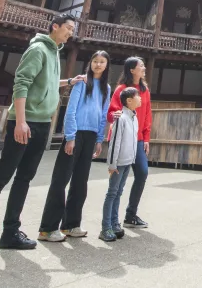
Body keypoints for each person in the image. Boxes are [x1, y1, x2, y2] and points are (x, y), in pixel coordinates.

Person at [0, 14, 83, 263]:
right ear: (55, 26)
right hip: (24, 123)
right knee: (0, 179)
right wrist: (20, 121)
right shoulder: (39, 49)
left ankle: (10, 232)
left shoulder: (55, 52)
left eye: (73, 29)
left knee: (24, 179)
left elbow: (48, 83)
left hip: (40, 125)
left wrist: (70, 81)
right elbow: (22, 83)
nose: (70, 33)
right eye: (68, 28)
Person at [38, 51, 111, 241]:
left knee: (80, 182)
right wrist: (70, 136)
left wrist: (99, 139)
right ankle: (48, 228)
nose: (98, 64)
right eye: (95, 61)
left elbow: (103, 114)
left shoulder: (106, 87)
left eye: (102, 62)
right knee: (61, 179)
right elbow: (71, 110)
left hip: (91, 134)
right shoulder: (81, 82)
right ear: (90, 63)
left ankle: (71, 224)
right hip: (76, 133)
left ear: (106, 65)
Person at [105, 56, 153, 229]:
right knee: (117, 184)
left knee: (142, 172)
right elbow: (111, 113)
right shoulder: (121, 89)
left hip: (138, 139)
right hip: (122, 139)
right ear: (132, 69)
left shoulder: (144, 90)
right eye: (141, 65)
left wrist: (146, 138)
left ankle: (131, 214)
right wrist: (114, 116)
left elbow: (147, 114)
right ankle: (111, 221)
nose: (144, 68)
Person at [100, 86, 141, 242]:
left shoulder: (134, 117)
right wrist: (112, 164)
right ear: (129, 101)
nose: (141, 98)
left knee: (118, 193)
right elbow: (115, 142)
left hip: (127, 161)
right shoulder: (121, 118)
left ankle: (114, 223)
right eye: (138, 96)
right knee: (112, 193)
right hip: (118, 163)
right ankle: (105, 228)